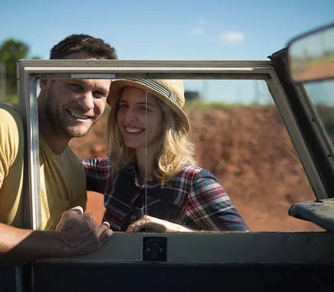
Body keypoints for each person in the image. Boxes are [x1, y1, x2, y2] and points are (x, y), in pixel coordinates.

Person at [0, 34, 116, 264]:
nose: (87, 103)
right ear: (45, 81)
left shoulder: (74, 168)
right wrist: (64, 242)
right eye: (76, 86)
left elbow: (51, 256)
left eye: (99, 94)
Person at [83, 78, 250, 233]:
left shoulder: (194, 183)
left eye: (143, 108)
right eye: (124, 106)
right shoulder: (114, 171)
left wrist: (178, 232)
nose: (128, 117)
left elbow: (247, 245)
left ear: (167, 119)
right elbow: (62, 165)